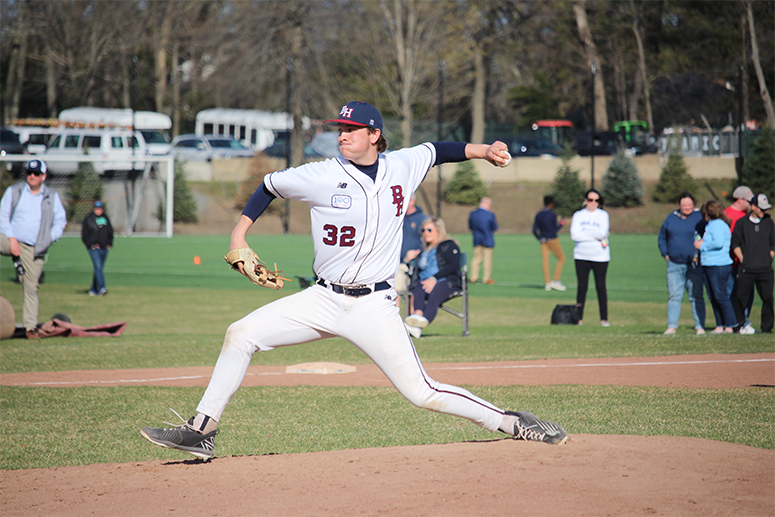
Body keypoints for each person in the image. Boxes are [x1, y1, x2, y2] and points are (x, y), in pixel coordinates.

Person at [140, 101, 568, 459]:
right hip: (322, 298)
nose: (342, 135)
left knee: (422, 392)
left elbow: (438, 149)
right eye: (339, 129)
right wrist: (239, 233)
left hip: (373, 306)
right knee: (241, 334)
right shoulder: (320, 174)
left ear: (374, 134)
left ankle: (512, 422)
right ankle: (202, 430)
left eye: (351, 128)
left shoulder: (402, 165)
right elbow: (268, 186)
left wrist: (483, 150)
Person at [0, 159, 67, 339]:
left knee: (31, 287)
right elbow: (3, 216)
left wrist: (47, 240)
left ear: (43, 176)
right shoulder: (14, 191)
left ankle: (30, 328)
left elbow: (60, 221)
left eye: (36, 173)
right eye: (29, 172)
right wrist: (12, 239)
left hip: (34, 247)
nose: (32, 176)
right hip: (10, 239)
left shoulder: (51, 197)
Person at [403, 217, 462, 338]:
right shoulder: (424, 251)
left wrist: (434, 278)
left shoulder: (448, 245)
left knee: (434, 294)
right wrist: (408, 260)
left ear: (439, 231)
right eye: (423, 230)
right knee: (419, 287)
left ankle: (417, 326)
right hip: (425, 283)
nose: (425, 233)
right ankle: (417, 318)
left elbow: (453, 265)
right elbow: (416, 271)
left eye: (429, 230)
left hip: (447, 281)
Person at [657, 192, 706, 336]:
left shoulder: (699, 217)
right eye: (684, 205)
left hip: (694, 264)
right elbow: (662, 237)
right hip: (674, 263)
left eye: (690, 204)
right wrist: (665, 253)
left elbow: (707, 235)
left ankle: (699, 327)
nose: (687, 207)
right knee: (674, 296)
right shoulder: (671, 218)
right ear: (679, 205)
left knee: (696, 295)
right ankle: (672, 327)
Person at [732, 193, 774, 334]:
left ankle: (767, 329)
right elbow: (735, 244)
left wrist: (769, 257)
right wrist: (744, 259)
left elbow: (773, 244)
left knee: (768, 298)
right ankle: (738, 326)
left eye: (766, 209)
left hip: (765, 269)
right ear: (753, 207)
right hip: (747, 269)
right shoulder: (742, 223)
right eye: (761, 209)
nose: (764, 212)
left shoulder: (769, 222)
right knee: (740, 298)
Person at [570, 189, 610, 327]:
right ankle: (578, 318)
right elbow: (574, 235)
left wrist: (586, 234)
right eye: (590, 200)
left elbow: (602, 233)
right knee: (582, 287)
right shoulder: (578, 215)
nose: (593, 203)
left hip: (600, 256)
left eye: (596, 200)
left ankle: (604, 319)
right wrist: (593, 235)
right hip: (581, 255)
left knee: (600, 286)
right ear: (586, 200)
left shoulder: (603, 215)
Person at [694, 200, 736, 333]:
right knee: (713, 297)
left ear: (707, 213)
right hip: (709, 264)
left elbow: (718, 243)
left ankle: (730, 325)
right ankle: (719, 325)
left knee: (720, 295)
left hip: (718, 265)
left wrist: (702, 246)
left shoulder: (718, 224)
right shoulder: (711, 225)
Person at [725, 185, 754, 326]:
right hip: (731, 263)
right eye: (749, 201)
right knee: (732, 294)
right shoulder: (726, 215)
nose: (751, 204)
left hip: (748, 264)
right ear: (740, 200)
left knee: (747, 295)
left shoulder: (749, 216)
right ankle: (732, 324)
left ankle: (744, 322)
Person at [395, 194, 425, 306]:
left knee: (413, 293)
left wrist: (417, 253)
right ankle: (395, 320)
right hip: (397, 263)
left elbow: (429, 243)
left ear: (412, 201)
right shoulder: (396, 218)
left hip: (416, 264)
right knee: (394, 291)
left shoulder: (422, 219)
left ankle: (412, 320)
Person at [533, 195, 566, 291]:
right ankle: (555, 280)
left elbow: (534, 230)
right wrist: (561, 224)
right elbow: (554, 229)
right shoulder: (552, 215)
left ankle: (547, 283)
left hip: (543, 240)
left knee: (545, 261)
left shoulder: (538, 214)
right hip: (552, 239)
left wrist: (540, 238)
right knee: (561, 258)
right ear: (551, 204)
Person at [81, 200, 114, 296]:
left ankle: (93, 289)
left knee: (98, 269)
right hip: (94, 248)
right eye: (97, 208)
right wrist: (90, 244)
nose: (99, 210)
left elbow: (110, 231)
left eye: (100, 208)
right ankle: (102, 288)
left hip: (104, 247)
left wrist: (109, 243)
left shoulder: (105, 218)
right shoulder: (89, 218)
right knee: (98, 267)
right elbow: (84, 234)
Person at [468, 197, 498, 284]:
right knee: (487, 260)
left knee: (476, 258)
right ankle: (486, 278)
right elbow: (494, 227)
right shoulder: (490, 214)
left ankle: (473, 277)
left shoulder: (473, 214)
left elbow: (470, 227)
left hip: (477, 239)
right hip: (488, 239)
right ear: (488, 205)